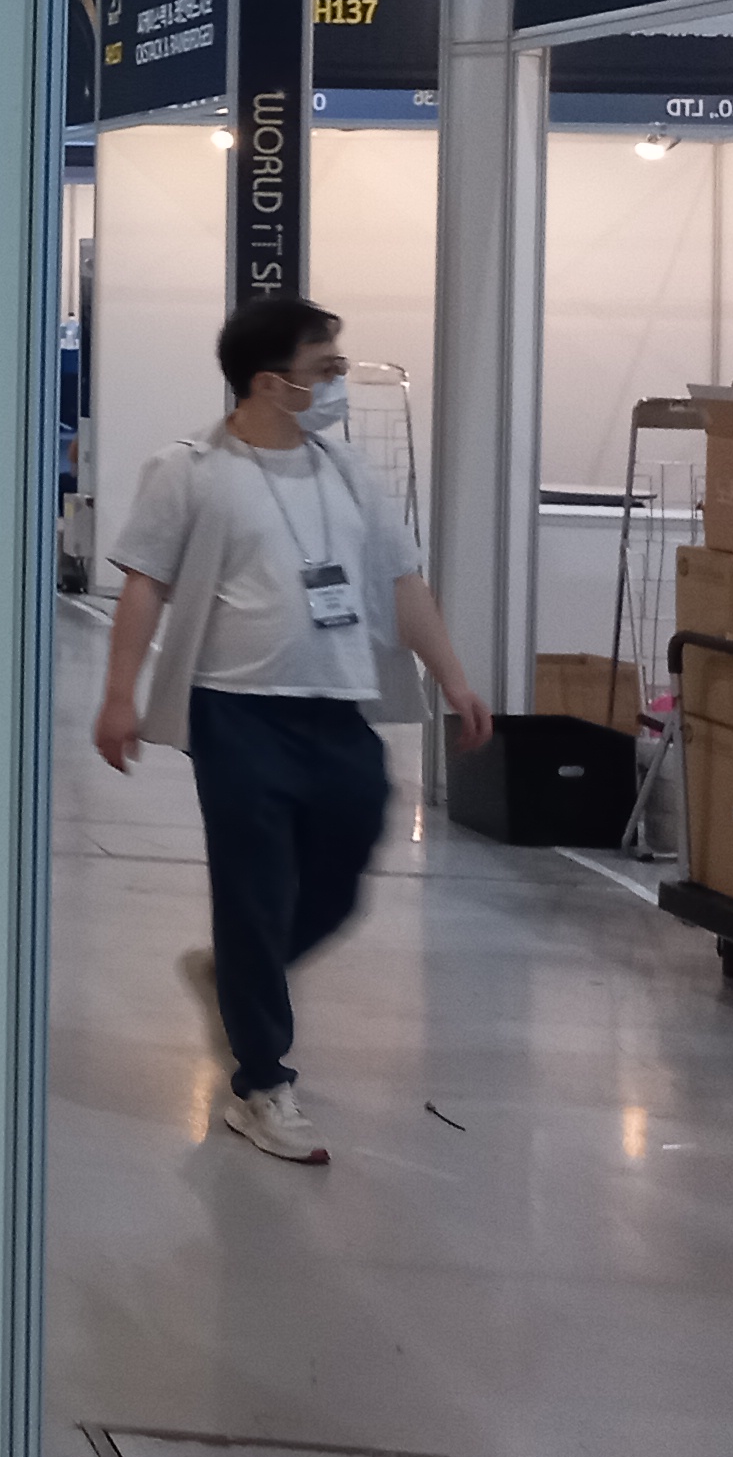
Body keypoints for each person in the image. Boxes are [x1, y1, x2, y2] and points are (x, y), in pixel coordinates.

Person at [94, 295, 492, 1164]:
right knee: (253, 889)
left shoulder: (347, 474)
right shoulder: (192, 470)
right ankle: (262, 1083)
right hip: (235, 710)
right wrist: (120, 696)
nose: (339, 382)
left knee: (340, 881)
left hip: (337, 708)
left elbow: (403, 583)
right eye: (326, 369)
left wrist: (454, 678)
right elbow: (145, 583)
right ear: (272, 383)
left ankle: (236, 974)